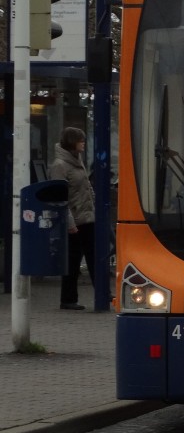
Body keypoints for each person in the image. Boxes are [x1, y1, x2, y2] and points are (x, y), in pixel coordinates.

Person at [50, 127, 95, 310]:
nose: (83, 143)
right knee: (73, 260)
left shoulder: (77, 161)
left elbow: (86, 187)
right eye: (80, 140)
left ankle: (102, 292)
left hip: (87, 216)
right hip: (74, 220)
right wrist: (69, 223)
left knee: (94, 255)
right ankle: (68, 299)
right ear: (71, 142)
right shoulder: (60, 165)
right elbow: (59, 197)